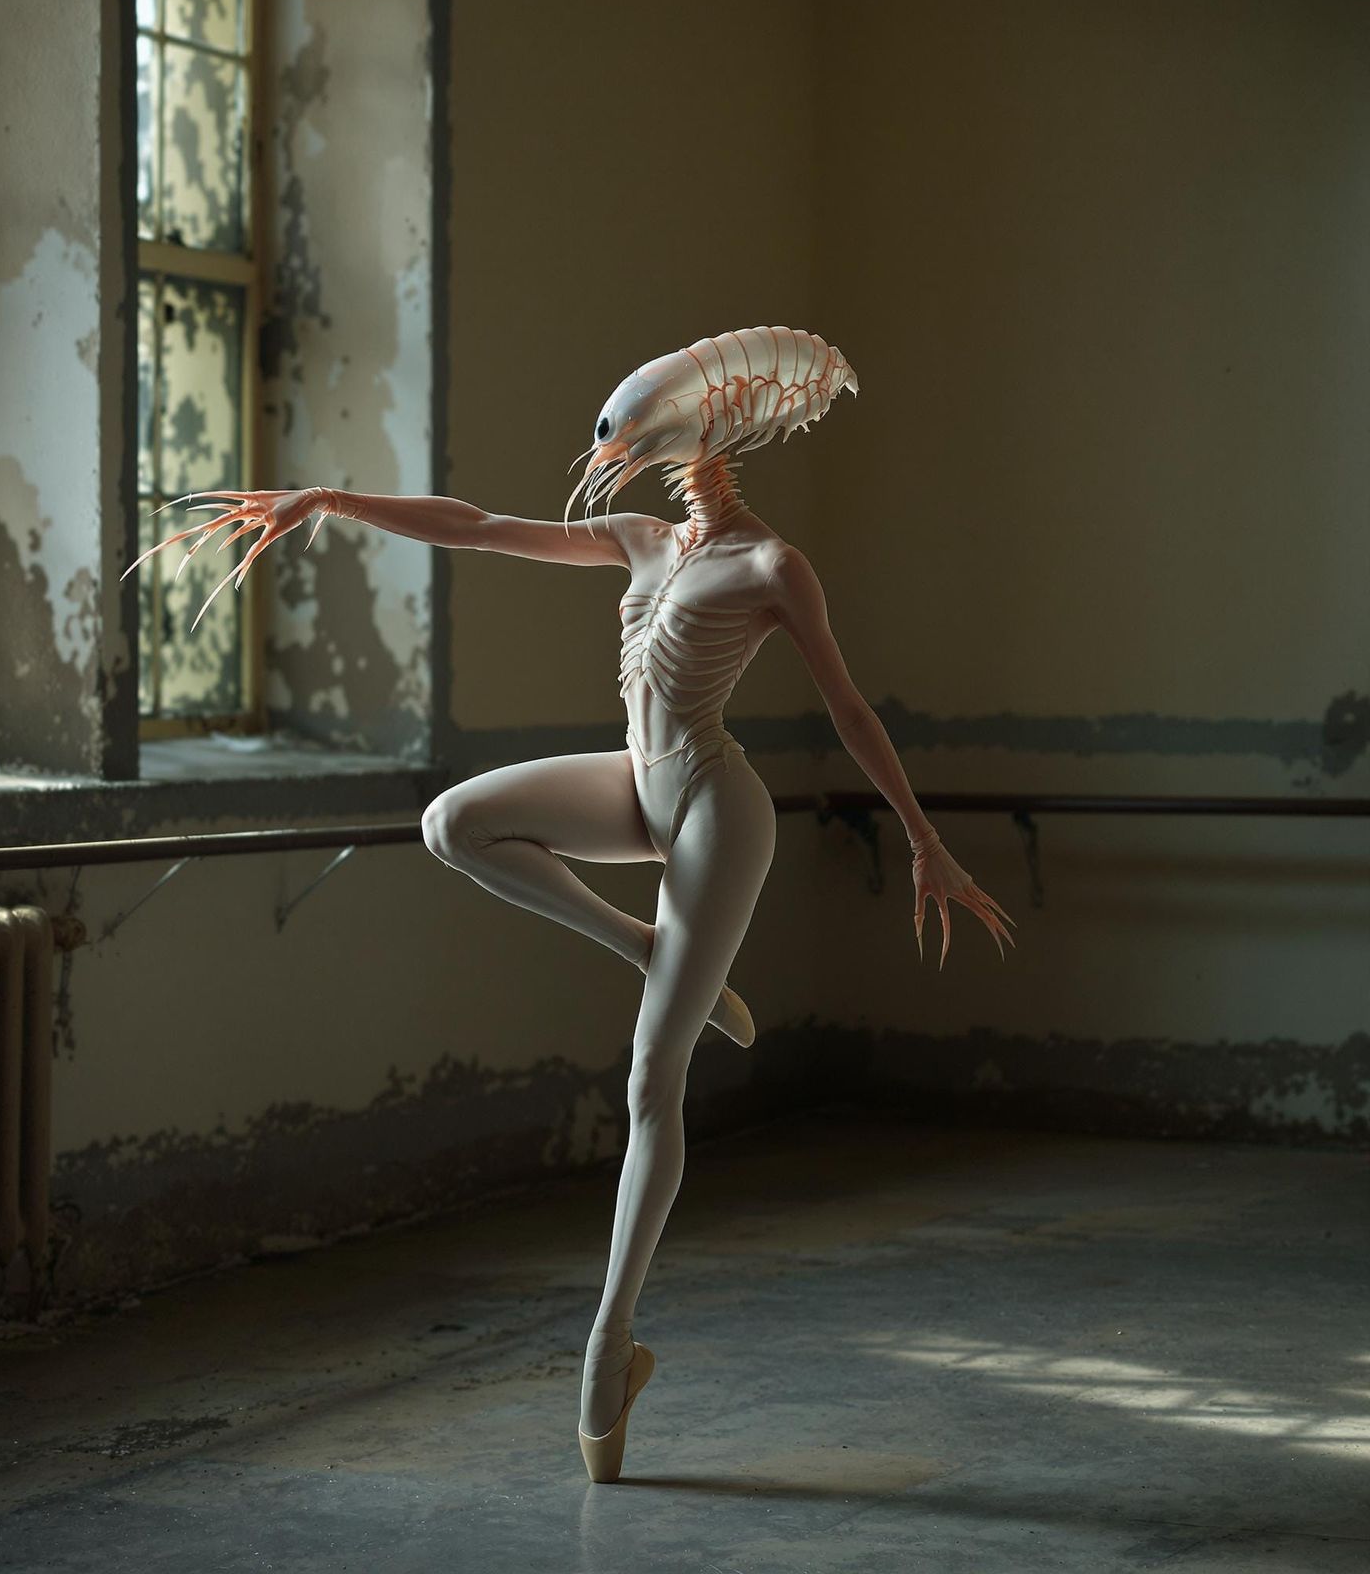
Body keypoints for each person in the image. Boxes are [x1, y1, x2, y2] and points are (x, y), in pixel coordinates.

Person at [127, 325, 1015, 1483]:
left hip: (711, 804)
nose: (632, 455)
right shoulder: (640, 538)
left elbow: (848, 709)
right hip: (634, 787)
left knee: (652, 1078)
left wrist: (924, 840)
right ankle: (650, 946)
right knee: (453, 822)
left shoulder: (771, 566)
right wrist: (331, 499)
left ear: (714, 433)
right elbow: (481, 526)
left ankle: (609, 1339)